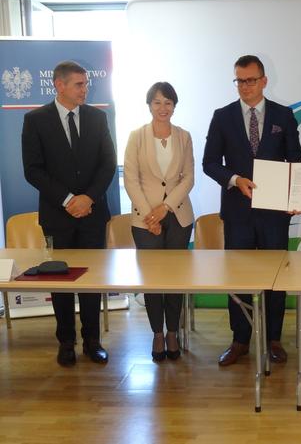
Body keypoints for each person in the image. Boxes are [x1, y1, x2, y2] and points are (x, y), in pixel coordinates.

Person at [202, 55, 301, 366]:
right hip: (238, 214)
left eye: (251, 80)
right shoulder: (222, 116)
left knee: (275, 278)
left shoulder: (284, 115)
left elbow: (295, 160)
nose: (245, 86)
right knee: (239, 278)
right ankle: (240, 340)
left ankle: (274, 338)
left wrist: (295, 195)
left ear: (264, 81)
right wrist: (234, 179)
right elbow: (209, 163)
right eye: (239, 81)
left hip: (274, 213)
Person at [21, 60, 116, 366]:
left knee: (91, 280)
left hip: (92, 214)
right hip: (57, 216)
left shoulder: (97, 118)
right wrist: (67, 199)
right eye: (79, 84)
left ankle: (92, 341)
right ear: (59, 85)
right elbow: (33, 170)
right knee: (60, 281)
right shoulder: (35, 120)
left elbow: (107, 163)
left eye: (86, 84)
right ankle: (65, 342)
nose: (85, 89)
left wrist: (88, 198)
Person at [124, 82, 194, 362]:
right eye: (157, 102)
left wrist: (165, 207)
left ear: (174, 106)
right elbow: (131, 179)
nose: (162, 108)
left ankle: (173, 332)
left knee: (175, 278)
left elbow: (188, 178)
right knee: (152, 279)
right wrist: (149, 215)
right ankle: (156, 333)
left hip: (178, 215)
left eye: (168, 102)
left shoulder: (184, 136)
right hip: (145, 219)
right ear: (149, 105)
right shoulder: (136, 137)